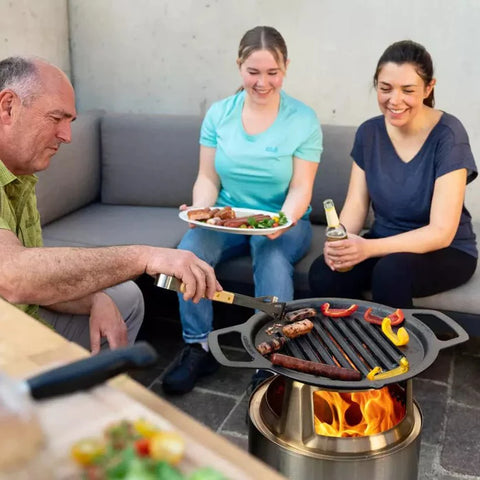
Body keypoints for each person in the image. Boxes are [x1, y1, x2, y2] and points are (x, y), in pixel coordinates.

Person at [0, 56, 221, 354]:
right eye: (56, 118)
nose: (66, 136)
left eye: (70, 122)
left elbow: (32, 283)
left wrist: (94, 299)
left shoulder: (21, 177)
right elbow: (13, 277)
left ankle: (88, 386)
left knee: (123, 297)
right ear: (8, 107)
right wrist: (144, 256)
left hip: (19, 314)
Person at [162, 26, 323, 394]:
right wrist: (202, 209)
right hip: (230, 219)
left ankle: (270, 361)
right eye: (253, 72)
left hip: (285, 219)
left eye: (272, 72)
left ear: (286, 68)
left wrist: (283, 220)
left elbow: (300, 187)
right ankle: (197, 346)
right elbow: (207, 178)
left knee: (270, 256)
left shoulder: (303, 119)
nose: (263, 82)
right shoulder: (220, 114)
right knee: (188, 251)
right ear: (239, 67)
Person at [309, 40, 477, 309]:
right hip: (384, 243)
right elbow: (355, 205)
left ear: (428, 88)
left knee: (391, 273)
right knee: (325, 272)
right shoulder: (369, 133)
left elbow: (441, 232)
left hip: (446, 251)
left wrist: (367, 249)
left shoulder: (449, 135)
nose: (394, 100)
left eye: (407, 90)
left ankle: (397, 350)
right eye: (385, 88)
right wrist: (339, 241)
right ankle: (349, 347)